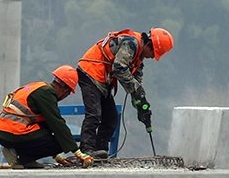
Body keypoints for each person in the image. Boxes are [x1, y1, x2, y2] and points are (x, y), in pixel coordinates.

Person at [74, 27, 174, 159]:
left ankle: (100, 151)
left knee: (111, 118)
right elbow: (119, 68)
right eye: (153, 53)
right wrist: (136, 90)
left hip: (103, 79)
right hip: (90, 71)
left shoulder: (138, 58)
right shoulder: (131, 44)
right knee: (94, 114)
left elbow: (136, 84)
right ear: (149, 45)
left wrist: (141, 105)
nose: (151, 57)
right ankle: (86, 150)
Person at [0, 65, 94, 169]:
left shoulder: (38, 87)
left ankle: (25, 160)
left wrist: (57, 157)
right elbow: (57, 124)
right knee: (60, 142)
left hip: (2, 131)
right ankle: (23, 156)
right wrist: (78, 153)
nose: (65, 96)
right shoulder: (47, 93)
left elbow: (46, 126)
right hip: (13, 131)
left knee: (48, 134)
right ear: (63, 87)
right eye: (68, 92)